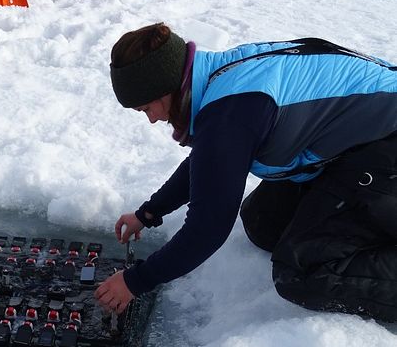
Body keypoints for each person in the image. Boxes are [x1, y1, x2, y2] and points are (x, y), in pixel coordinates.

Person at [95, 22, 397, 322]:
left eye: (146, 109)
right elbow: (211, 162)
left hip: (385, 149)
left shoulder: (231, 113)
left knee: (301, 272)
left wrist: (135, 281)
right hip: (359, 143)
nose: (151, 120)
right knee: (263, 220)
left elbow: (207, 229)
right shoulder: (219, 81)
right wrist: (149, 212)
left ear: (164, 91)